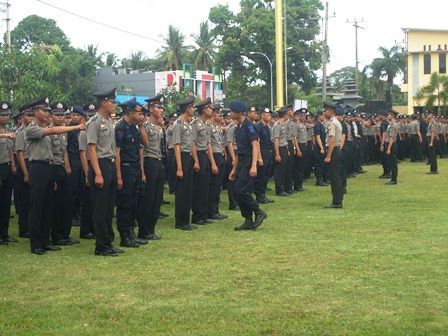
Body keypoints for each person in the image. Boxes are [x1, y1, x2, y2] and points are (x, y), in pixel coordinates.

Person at [25, 97, 85, 255]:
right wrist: (75, 127)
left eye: (47, 111)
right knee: (37, 208)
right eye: (44, 111)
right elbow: (51, 131)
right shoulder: (31, 129)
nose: (47, 113)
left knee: (47, 207)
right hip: (37, 169)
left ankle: (46, 241)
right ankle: (36, 244)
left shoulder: (43, 127)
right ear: (35, 111)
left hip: (49, 168)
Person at [87, 88, 122, 256]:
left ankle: (108, 241)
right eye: (113, 102)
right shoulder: (94, 122)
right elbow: (91, 149)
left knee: (109, 208)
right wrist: (98, 173)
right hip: (99, 165)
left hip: (110, 164)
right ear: (104, 103)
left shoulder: (109, 121)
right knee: (100, 209)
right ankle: (101, 246)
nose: (115, 105)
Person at [115, 101, 149, 248]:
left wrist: (141, 126)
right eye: (139, 114)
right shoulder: (120, 128)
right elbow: (117, 153)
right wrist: (119, 176)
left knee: (134, 203)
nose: (141, 117)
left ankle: (131, 233)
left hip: (135, 168)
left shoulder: (135, 128)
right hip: (125, 168)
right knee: (125, 204)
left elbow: (145, 142)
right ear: (130, 113)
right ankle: (124, 236)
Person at [229, 101, 267, 230]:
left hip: (249, 161)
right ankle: (248, 219)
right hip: (241, 161)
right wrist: (234, 169)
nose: (230, 113)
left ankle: (259, 212)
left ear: (239, 112)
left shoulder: (249, 126)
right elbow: (240, 150)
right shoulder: (238, 128)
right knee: (238, 191)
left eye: (232, 111)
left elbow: (255, 145)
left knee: (241, 190)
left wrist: (254, 165)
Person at [48, 102, 80, 246]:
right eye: (57, 115)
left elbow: (65, 150)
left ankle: (65, 234)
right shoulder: (48, 132)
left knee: (67, 202)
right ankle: (56, 235)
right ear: (51, 116)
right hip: (52, 168)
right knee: (55, 204)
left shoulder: (63, 132)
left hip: (62, 168)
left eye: (62, 115)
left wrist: (67, 165)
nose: (61, 118)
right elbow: (48, 155)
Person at [138, 95, 166, 240]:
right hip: (149, 162)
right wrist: (142, 171)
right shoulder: (145, 126)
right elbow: (142, 149)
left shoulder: (159, 128)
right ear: (151, 109)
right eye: (158, 107)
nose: (161, 110)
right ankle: (144, 230)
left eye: (161, 107)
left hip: (159, 162)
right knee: (148, 199)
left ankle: (151, 229)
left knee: (157, 198)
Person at [191, 97, 217, 225]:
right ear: (204, 110)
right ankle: (197, 216)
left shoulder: (207, 124)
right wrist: (196, 161)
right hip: (199, 154)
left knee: (206, 186)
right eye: (210, 108)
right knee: (199, 187)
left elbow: (209, 144)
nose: (212, 111)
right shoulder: (195, 124)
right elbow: (193, 143)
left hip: (205, 154)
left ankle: (204, 214)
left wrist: (212, 163)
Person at [173, 95, 196, 231]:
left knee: (188, 190)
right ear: (187, 109)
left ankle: (186, 220)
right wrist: (179, 168)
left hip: (187, 157)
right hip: (180, 157)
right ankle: (180, 221)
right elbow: (176, 146)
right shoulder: (178, 125)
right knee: (182, 191)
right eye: (192, 107)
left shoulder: (187, 124)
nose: (193, 110)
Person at [15, 105, 34, 238]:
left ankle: (30, 226)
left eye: (32, 115)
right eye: (28, 115)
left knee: (32, 198)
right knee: (24, 199)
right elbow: (20, 154)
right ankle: (24, 228)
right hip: (25, 164)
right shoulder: (21, 132)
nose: (30, 118)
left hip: (33, 163)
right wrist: (26, 173)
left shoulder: (33, 130)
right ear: (22, 117)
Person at [78, 103, 97, 240]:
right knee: (87, 202)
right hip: (89, 166)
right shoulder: (84, 132)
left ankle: (93, 227)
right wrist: (86, 174)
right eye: (89, 115)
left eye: (93, 115)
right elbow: (83, 155)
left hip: (97, 165)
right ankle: (85, 229)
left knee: (95, 201)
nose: (91, 117)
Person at [208, 105, 230, 218]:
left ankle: (215, 209)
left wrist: (224, 154)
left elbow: (220, 143)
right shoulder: (209, 126)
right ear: (214, 114)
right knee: (213, 185)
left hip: (220, 155)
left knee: (218, 185)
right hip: (214, 156)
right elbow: (209, 145)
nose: (221, 117)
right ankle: (211, 210)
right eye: (219, 114)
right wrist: (212, 163)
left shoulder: (216, 127)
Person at [0, 101, 17, 245]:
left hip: (7, 167)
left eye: (7, 115)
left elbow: (11, 149)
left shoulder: (9, 130)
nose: (5, 117)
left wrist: (13, 164)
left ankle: (4, 234)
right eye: (2, 115)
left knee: (6, 203)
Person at [323, 102, 343, 209]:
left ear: (330, 111)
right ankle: (338, 200)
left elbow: (332, 139)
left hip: (333, 151)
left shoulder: (332, 123)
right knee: (336, 176)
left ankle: (337, 202)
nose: (324, 113)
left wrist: (328, 155)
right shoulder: (336, 122)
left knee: (334, 177)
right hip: (336, 150)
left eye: (325, 110)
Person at [254, 107, 275, 204]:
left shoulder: (267, 127)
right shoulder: (258, 127)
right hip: (262, 152)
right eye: (268, 115)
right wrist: (259, 157)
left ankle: (263, 194)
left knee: (266, 175)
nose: (270, 117)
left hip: (268, 152)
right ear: (262, 115)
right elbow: (257, 143)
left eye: (270, 115)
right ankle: (259, 196)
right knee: (261, 175)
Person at [272, 107, 290, 196]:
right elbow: (276, 139)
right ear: (285, 115)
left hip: (283, 148)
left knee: (283, 170)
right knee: (279, 171)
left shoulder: (282, 124)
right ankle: (279, 190)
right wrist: (277, 154)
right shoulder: (278, 125)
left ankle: (282, 188)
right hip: (279, 149)